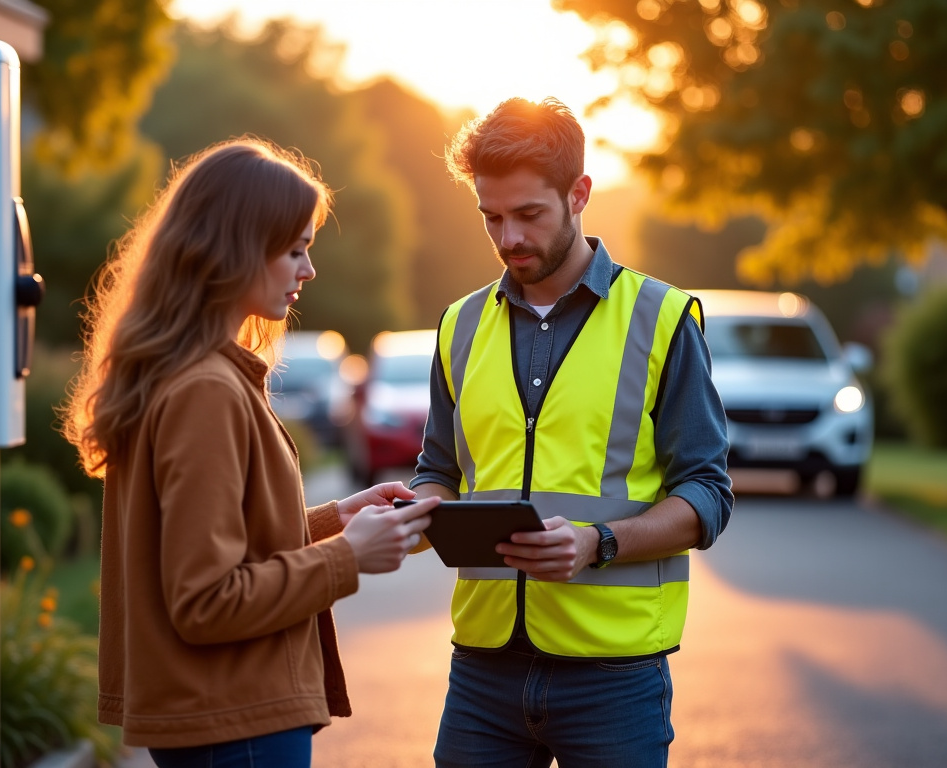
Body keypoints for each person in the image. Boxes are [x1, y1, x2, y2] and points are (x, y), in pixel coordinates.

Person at [62, 138, 438, 768]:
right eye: (294, 250)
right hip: (234, 725)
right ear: (234, 251)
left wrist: (331, 521)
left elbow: (211, 544)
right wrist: (349, 557)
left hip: (218, 720)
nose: (308, 271)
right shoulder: (204, 390)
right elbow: (206, 600)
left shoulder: (181, 375)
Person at [409, 97, 734, 767]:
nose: (508, 239)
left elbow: (707, 493)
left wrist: (600, 542)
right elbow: (437, 466)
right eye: (491, 218)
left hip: (614, 678)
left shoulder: (662, 318)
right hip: (482, 671)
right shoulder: (459, 327)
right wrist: (421, 505)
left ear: (580, 193)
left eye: (529, 215)